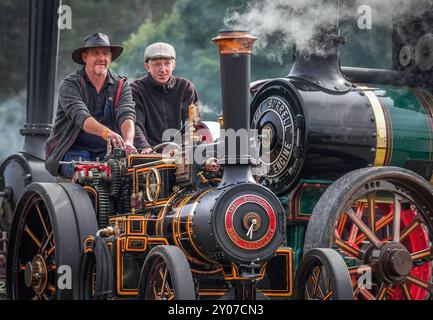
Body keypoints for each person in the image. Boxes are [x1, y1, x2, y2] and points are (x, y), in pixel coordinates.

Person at [45, 33, 137, 178]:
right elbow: (81, 116)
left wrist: (128, 142)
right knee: (88, 175)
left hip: (108, 152)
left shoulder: (121, 85)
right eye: (95, 53)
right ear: (84, 57)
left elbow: (126, 114)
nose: (102, 58)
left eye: (106, 53)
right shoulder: (69, 85)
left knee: (133, 176)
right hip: (72, 149)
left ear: (111, 58)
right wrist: (107, 133)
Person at [132, 42, 199, 153]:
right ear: (147, 67)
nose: (163, 69)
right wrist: (144, 147)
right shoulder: (136, 89)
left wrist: (185, 147)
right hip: (150, 153)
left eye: (167, 64)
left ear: (173, 65)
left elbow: (192, 122)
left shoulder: (185, 87)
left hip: (179, 152)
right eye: (157, 64)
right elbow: (135, 123)